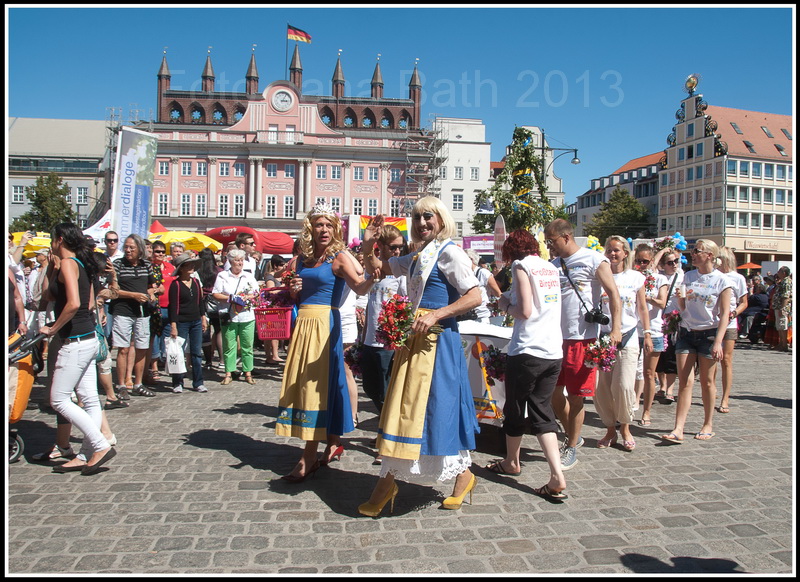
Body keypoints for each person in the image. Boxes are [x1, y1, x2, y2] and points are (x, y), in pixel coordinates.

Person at [357, 197, 482, 517]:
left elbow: (476, 296)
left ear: (441, 220)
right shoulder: (416, 256)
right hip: (413, 343)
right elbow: (379, 269)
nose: (422, 223)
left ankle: (463, 477)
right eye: (416, 218)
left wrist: (437, 314)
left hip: (438, 346)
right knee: (404, 411)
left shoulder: (450, 252)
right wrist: (370, 243)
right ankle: (388, 482)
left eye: (428, 217)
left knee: (436, 410)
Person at [275, 203, 377, 483]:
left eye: (329, 225)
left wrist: (371, 271)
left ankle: (309, 454)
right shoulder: (301, 260)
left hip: (324, 326)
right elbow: (292, 293)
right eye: (319, 224)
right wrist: (293, 291)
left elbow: (359, 287)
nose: (324, 230)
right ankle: (332, 442)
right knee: (320, 385)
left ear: (336, 229)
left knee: (314, 388)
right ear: (310, 228)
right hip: (303, 325)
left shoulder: (340, 257)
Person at [485, 229, 567, 499]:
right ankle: (556, 474)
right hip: (552, 350)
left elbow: (525, 311)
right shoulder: (549, 268)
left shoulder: (521, 266)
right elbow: (532, 300)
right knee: (543, 411)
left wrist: (505, 308)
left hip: (528, 349)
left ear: (511, 250)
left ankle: (511, 462)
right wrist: (504, 297)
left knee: (515, 408)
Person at [36, 223, 116, 475]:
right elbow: (50, 296)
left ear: (59, 239)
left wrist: (52, 328)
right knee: (89, 398)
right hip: (87, 337)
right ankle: (86, 453)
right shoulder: (74, 264)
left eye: (52, 240)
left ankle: (100, 445)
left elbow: (73, 303)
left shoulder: (71, 264)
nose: (50, 245)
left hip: (77, 340)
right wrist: (51, 269)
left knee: (58, 399)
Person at [544, 219, 621, 471]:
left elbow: (614, 294)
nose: (549, 246)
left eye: (551, 241)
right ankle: (572, 434)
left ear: (566, 237)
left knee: (576, 397)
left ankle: (572, 446)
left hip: (583, 338)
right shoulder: (553, 265)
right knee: (554, 394)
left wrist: (616, 329)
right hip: (556, 337)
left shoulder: (593, 259)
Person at [661, 239, 732, 444]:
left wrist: (719, 341)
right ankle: (678, 428)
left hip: (709, 334)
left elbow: (725, 313)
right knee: (684, 381)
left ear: (709, 255)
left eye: (697, 251)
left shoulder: (721, 280)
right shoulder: (689, 276)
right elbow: (682, 303)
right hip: (687, 332)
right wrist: (681, 304)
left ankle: (708, 423)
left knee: (707, 382)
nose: (692, 254)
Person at [594, 236, 653, 452]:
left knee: (625, 385)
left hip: (628, 335)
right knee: (602, 388)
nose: (612, 253)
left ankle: (626, 427)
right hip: (603, 337)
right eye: (609, 249)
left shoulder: (635, 277)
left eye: (616, 250)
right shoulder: (599, 276)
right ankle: (610, 429)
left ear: (625, 253)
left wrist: (646, 333)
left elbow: (643, 308)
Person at [359, 225, 407, 418]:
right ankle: (385, 423)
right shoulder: (373, 272)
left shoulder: (400, 274)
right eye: (393, 247)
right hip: (370, 338)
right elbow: (371, 303)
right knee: (370, 387)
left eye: (400, 248)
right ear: (381, 246)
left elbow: (407, 305)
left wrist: (399, 336)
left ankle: (387, 431)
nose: (397, 251)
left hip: (388, 341)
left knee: (387, 389)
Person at [111, 233, 157, 399]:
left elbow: (152, 285)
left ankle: (138, 383)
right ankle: (122, 384)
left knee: (142, 348)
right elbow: (112, 291)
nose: (128, 250)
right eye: (126, 247)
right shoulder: (118, 264)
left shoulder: (146, 265)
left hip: (142, 312)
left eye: (132, 247)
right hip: (123, 310)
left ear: (140, 249)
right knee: (123, 348)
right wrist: (133, 295)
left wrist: (151, 293)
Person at [632, 244, 668, 427]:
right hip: (632, 329)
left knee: (648, 373)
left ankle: (646, 411)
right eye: (638, 261)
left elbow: (662, 302)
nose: (641, 265)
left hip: (653, 330)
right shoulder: (632, 277)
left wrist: (646, 298)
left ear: (652, 261)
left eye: (645, 261)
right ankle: (628, 405)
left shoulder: (660, 278)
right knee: (629, 372)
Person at [211, 248, 259, 385]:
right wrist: (231, 298)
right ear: (230, 262)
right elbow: (216, 294)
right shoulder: (223, 276)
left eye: (241, 260)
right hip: (229, 315)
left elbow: (256, 292)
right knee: (229, 345)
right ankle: (229, 372)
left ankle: (248, 372)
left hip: (246, 315)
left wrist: (247, 297)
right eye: (237, 260)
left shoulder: (248, 276)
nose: (240, 263)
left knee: (247, 345)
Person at [167, 252, 208, 393]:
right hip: (181, 322)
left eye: (192, 264)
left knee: (196, 353)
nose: (191, 267)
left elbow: (200, 302)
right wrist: (173, 326)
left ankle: (198, 382)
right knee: (179, 353)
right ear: (181, 268)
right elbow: (173, 307)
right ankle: (177, 382)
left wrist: (203, 318)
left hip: (196, 321)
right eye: (187, 265)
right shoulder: (176, 285)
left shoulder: (196, 282)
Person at [714, 247, 748, 414]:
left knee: (726, 360)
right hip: (712, 323)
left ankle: (725, 397)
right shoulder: (713, 276)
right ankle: (711, 390)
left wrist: (734, 313)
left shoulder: (737, 278)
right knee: (710, 360)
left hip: (729, 324)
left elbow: (744, 302)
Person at [654, 249, 684, 403]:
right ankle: (662, 386)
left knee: (671, 354)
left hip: (674, 319)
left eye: (676, 261)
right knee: (660, 354)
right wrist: (662, 251)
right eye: (670, 262)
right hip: (659, 318)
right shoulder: (658, 277)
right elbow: (652, 265)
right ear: (663, 265)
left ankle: (671, 388)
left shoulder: (682, 276)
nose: (674, 265)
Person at [146, 240, 172, 382]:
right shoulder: (149, 267)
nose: (160, 254)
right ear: (152, 252)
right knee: (154, 336)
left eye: (163, 251)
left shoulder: (169, 266)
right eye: (157, 251)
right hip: (155, 307)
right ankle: (154, 366)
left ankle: (167, 363)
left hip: (169, 306)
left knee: (167, 337)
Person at [196, 248, 223, 370]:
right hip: (215, 302)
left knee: (205, 331)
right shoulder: (218, 271)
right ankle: (222, 360)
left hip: (202, 302)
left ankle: (208, 360)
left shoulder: (197, 271)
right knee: (218, 330)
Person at [263, 254, 288, 365]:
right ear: (275, 265)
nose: (283, 267)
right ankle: (270, 356)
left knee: (278, 332)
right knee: (270, 333)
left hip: (281, 305)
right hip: (271, 305)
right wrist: (283, 286)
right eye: (281, 265)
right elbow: (271, 291)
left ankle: (275, 354)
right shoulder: (270, 276)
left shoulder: (283, 275)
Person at [464, 249, 501, 323]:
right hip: (465, 316)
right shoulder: (464, 273)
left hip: (482, 316)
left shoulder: (483, 273)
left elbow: (498, 293)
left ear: (471, 259)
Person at [771, 266, 792, 352]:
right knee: (779, 326)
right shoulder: (782, 281)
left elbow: (786, 296)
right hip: (778, 306)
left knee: (783, 326)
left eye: (779, 271)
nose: (778, 272)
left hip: (782, 307)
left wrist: (782, 308)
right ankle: (781, 343)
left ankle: (784, 344)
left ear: (784, 273)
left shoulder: (787, 282)